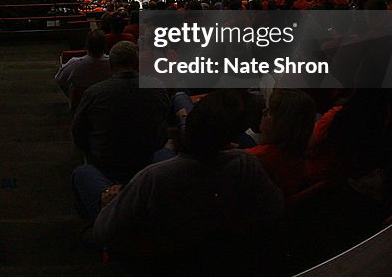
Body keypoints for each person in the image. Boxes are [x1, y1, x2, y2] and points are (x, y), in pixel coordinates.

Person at [92, 90, 284, 270]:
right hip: (220, 257)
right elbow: (273, 209)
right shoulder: (245, 164)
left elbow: (104, 232)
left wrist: (111, 203)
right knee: (179, 103)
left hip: (157, 262)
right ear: (231, 138)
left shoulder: (153, 177)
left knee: (85, 174)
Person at [71, 42, 170, 218]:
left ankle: (98, 219)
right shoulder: (158, 88)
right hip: (146, 161)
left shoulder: (94, 93)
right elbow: (163, 127)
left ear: (111, 66)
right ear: (137, 64)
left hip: (106, 163)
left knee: (81, 173)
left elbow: (78, 132)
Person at [245, 89, 316, 198]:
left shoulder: (255, 158)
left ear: (281, 124)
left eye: (270, 112)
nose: (263, 111)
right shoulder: (297, 158)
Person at [54, 30, 111, 97]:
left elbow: (59, 79)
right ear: (105, 46)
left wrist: (70, 94)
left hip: (81, 104)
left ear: (86, 45)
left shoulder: (74, 64)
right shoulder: (113, 63)